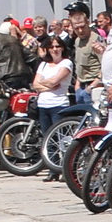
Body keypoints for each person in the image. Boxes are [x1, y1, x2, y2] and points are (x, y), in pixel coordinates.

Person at [31, 33, 75, 177]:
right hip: (43, 105)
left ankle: (65, 169)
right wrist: (48, 85)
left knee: (62, 139)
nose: (55, 49)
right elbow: (35, 84)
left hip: (59, 104)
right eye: (52, 47)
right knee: (48, 138)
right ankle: (52, 169)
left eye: (57, 46)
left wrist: (45, 83)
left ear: (62, 48)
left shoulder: (66, 63)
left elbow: (54, 81)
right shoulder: (43, 64)